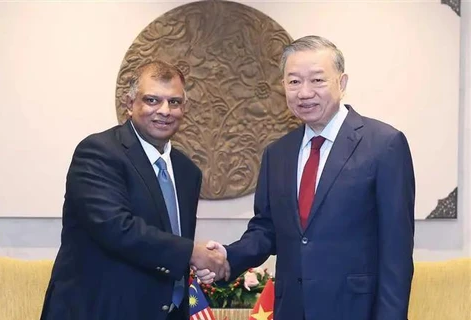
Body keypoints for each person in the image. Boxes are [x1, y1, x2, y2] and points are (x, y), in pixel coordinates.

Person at [198, 35, 415, 320]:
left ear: (342, 83)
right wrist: (228, 257)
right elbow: (266, 229)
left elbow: (396, 252)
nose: (304, 92)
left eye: (317, 80)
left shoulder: (384, 144)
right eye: (294, 81)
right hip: (291, 309)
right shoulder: (277, 153)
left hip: (355, 310)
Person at [40, 60, 228, 320]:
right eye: (152, 100)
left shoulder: (187, 172)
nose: (165, 110)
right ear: (130, 105)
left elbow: (170, 244)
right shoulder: (98, 152)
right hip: (100, 310)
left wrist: (199, 262)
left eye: (174, 102)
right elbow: (116, 228)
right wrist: (191, 253)